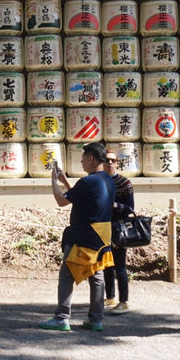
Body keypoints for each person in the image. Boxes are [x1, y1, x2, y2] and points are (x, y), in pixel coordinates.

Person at [39, 142, 115, 332]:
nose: (81, 161)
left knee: (66, 274)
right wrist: (65, 181)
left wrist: (54, 181)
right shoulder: (107, 179)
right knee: (96, 275)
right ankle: (96, 319)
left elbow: (62, 201)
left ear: (91, 159)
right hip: (103, 235)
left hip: (84, 235)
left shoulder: (88, 181)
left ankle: (61, 317)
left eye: (83, 158)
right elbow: (82, 196)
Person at [103, 149, 135, 315]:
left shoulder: (125, 183)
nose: (109, 163)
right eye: (106, 160)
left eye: (112, 160)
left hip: (119, 228)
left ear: (117, 163)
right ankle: (110, 297)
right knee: (106, 265)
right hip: (102, 228)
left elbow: (131, 208)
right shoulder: (98, 181)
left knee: (120, 266)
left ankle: (124, 301)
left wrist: (115, 205)